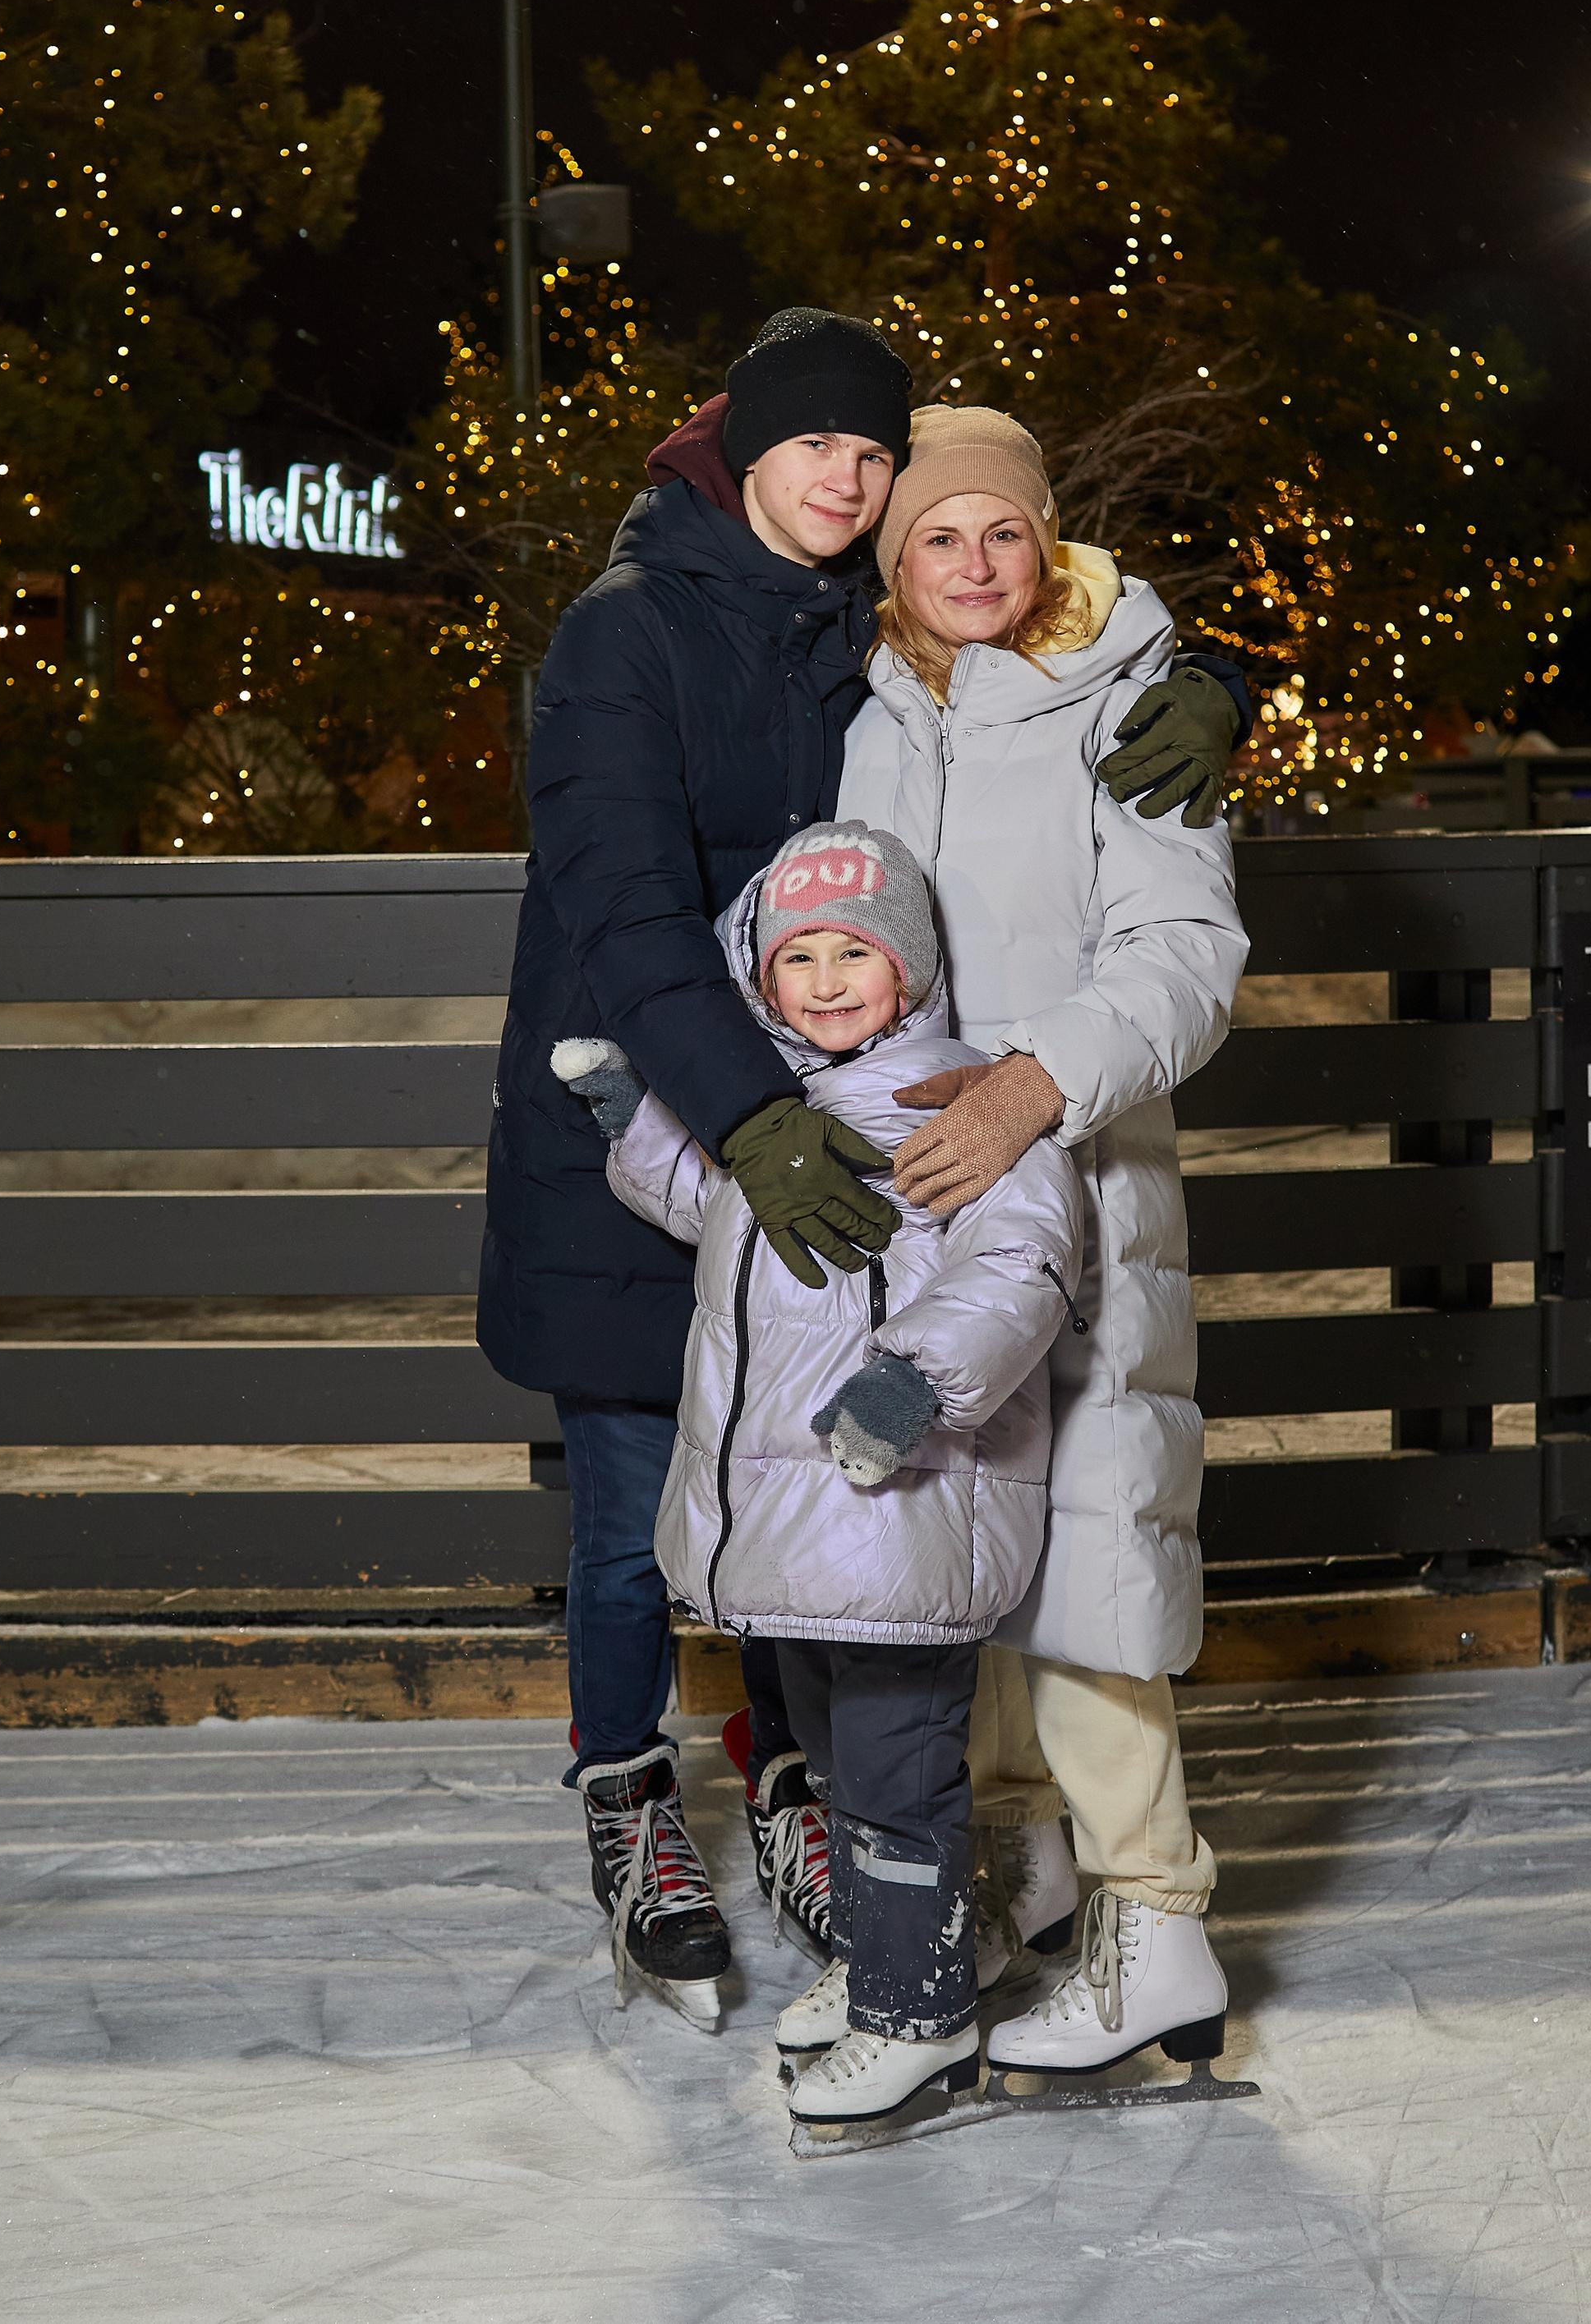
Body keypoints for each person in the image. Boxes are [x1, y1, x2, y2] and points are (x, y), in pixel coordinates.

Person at [476, 310, 1248, 2013]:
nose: (847, 477)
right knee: (637, 1521)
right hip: (660, 1125)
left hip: (844, 1146)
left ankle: (801, 1792)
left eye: (868, 450)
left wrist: (1207, 670)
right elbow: (624, 912)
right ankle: (629, 1799)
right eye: (813, 446)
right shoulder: (625, 639)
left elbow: (1033, 612)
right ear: (736, 446)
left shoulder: (856, 627)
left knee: (835, 1490)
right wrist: (739, 1125)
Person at [836, 403, 1250, 2077]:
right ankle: (1018, 1871)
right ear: (896, 562)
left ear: (1049, 540)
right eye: (938, 536)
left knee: (1085, 1555)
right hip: (923, 1206)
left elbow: (1185, 955)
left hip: (1074, 1184)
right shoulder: (872, 712)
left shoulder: (1131, 699)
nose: (973, 564)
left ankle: (1156, 1915)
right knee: (967, 1566)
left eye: (1003, 532)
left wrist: (1030, 1089)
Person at [568, 820, 1084, 2122]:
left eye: (856, 950)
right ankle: (888, 1968)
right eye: (799, 956)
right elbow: (708, 1208)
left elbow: (1021, 1258)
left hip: (900, 1518)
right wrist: (637, 1119)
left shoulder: (950, 1098)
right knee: (850, 1779)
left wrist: (917, 1377)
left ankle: (919, 2018)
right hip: (801, 1538)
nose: (828, 978)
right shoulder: (779, 1114)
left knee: (900, 1780)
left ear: (907, 967)